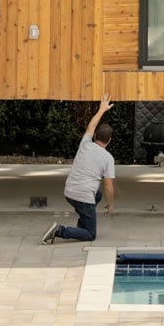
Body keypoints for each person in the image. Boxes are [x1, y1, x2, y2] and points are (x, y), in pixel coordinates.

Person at [42, 95, 116, 244]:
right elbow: (108, 186)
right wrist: (111, 204)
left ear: (95, 136)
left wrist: (102, 109)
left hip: (69, 192)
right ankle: (59, 231)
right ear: (109, 140)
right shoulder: (108, 158)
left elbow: (91, 126)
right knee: (90, 234)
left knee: (98, 194)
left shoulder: (85, 143)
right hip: (82, 196)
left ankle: (82, 222)